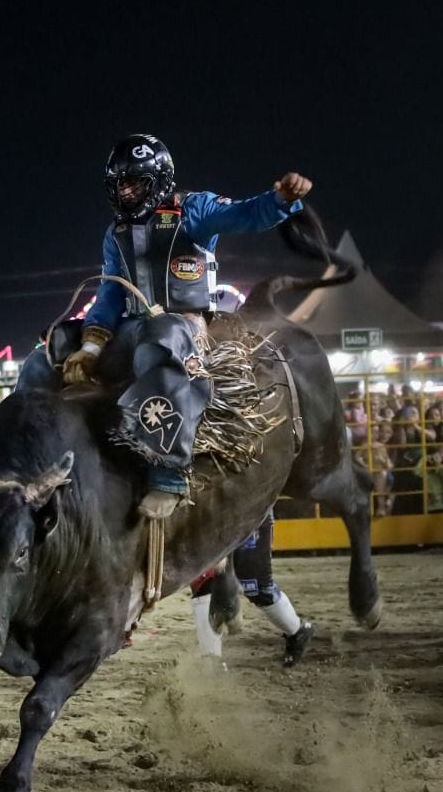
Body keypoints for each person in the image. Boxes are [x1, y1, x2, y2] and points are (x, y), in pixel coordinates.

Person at [15, 134, 311, 517]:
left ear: (159, 181)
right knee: (49, 350)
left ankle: (169, 472)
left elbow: (246, 214)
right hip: (132, 329)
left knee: (161, 339)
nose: (125, 192)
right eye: (119, 184)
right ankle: (20, 460)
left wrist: (281, 200)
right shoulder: (115, 234)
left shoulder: (194, 210)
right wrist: (89, 347)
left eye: (134, 183)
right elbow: (110, 292)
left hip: (183, 328)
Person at [188, 510, 315, 667]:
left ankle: (298, 631)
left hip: (249, 514)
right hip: (207, 517)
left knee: (256, 587)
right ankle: (211, 663)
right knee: (204, 581)